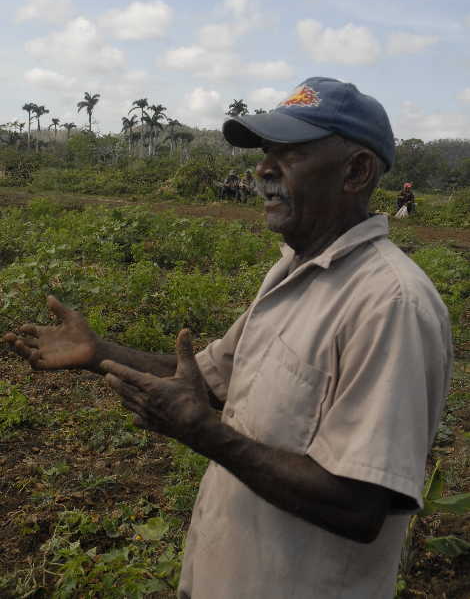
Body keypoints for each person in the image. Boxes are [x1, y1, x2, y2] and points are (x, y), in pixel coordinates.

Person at [5, 77, 453, 599]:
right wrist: (98, 352)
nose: (263, 170)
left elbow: (359, 506)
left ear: (356, 171)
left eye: (291, 155)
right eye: (266, 153)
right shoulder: (291, 270)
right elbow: (209, 377)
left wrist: (202, 432)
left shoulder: (390, 305)